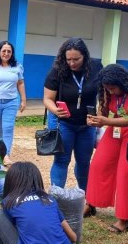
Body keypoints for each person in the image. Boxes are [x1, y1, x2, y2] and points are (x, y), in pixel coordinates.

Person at [85, 64, 128, 233]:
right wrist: (95, 118)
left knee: (127, 173)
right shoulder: (107, 90)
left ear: (122, 82)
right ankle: (91, 203)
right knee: (98, 164)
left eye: (113, 88)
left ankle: (125, 219)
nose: (111, 92)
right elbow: (104, 113)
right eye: (107, 89)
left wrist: (105, 122)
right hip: (116, 128)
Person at [43, 38, 100, 192]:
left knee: (84, 161)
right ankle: (57, 196)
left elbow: (103, 93)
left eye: (77, 59)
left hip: (86, 125)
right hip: (64, 123)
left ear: (85, 56)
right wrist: (55, 110)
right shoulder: (58, 70)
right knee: (62, 160)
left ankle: (85, 197)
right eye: (69, 59)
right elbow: (47, 99)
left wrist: (101, 115)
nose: (72, 63)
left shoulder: (95, 67)